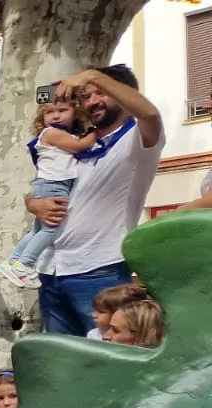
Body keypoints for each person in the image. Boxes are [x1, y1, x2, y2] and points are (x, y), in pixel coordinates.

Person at [25, 64, 164, 336]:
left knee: (106, 353)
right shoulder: (73, 142)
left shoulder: (138, 139)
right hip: (51, 269)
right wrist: (32, 203)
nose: (92, 102)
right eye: (86, 96)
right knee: (62, 358)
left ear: (125, 94)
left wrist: (91, 76)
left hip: (99, 269)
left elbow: (149, 113)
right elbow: (44, 185)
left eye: (101, 93)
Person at [0, 97, 97, 289]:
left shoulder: (61, 134)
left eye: (62, 110)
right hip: (55, 186)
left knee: (37, 231)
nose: (56, 116)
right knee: (52, 230)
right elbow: (80, 146)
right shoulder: (52, 133)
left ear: (75, 112)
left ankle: (13, 261)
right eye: (49, 112)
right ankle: (25, 264)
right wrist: (95, 132)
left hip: (45, 185)